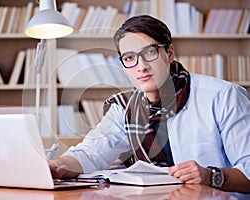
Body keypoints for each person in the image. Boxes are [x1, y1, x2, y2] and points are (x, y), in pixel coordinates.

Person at [49, 15, 250, 193]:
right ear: (123, 66)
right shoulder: (125, 108)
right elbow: (90, 153)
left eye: (150, 52)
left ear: (170, 53)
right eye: (129, 58)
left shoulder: (224, 96)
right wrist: (56, 166)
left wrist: (210, 176)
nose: (141, 66)